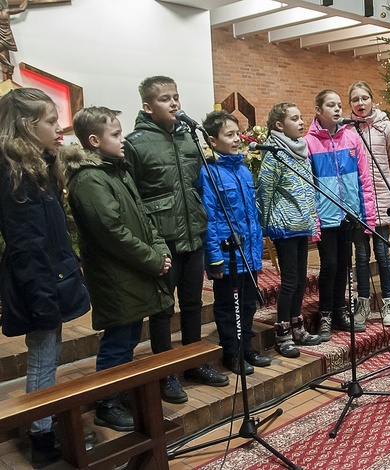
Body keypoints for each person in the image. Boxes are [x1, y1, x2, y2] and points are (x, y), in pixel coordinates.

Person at [63, 106, 180, 433]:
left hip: (132, 273)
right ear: (94, 140)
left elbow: (142, 217)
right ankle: (106, 404)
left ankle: (120, 390)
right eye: (115, 134)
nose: (123, 139)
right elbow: (112, 232)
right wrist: (153, 259)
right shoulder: (88, 179)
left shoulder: (117, 170)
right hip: (115, 276)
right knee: (117, 340)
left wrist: (160, 247)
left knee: (128, 337)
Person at [124, 76, 228, 404]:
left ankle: (194, 362)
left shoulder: (188, 139)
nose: (173, 104)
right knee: (162, 308)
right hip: (162, 239)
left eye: (176, 97)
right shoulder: (135, 143)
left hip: (193, 233)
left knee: (194, 303)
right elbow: (133, 198)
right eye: (165, 99)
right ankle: (165, 371)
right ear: (147, 106)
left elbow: (199, 185)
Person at [0, 88, 90, 466]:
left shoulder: (36, 165)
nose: (60, 129)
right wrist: (43, 300)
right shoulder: (16, 173)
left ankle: (43, 423)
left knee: (46, 356)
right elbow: (26, 247)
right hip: (39, 283)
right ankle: (42, 436)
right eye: (52, 121)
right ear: (26, 124)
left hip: (50, 277)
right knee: (42, 359)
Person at [198, 110, 270, 374]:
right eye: (229, 135)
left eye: (237, 133)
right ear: (212, 141)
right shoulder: (209, 173)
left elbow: (251, 214)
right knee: (229, 307)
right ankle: (232, 352)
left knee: (248, 304)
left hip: (248, 252)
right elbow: (211, 218)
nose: (237, 139)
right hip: (227, 255)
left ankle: (247, 348)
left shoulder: (241, 168)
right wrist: (214, 256)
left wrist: (256, 249)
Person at [304, 89, 376, 340]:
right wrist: (314, 221)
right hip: (326, 217)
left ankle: (339, 311)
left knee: (345, 265)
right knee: (330, 265)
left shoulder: (353, 139)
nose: (337, 110)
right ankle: (324, 314)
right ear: (318, 110)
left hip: (349, 214)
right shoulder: (309, 142)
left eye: (338, 105)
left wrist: (367, 216)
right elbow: (308, 187)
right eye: (330, 105)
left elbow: (364, 180)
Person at [257, 103, 322, 355]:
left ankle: (297, 325)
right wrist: (267, 224)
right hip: (284, 226)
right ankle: (282, 333)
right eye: (294, 119)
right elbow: (265, 191)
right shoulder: (274, 153)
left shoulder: (301, 149)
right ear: (279, 125)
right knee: (289, 281)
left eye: (301, 117)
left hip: (302, 224)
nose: (301, 122)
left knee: (300, 280)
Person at [347, 81, 390, 327]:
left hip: (381, 200)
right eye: (355, 99)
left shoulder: (386, 128)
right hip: (358, 202)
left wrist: (388, 190)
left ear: (372, 100)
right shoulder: (347, 130)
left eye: (364, 98)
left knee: (383, 254)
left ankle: (388, 303)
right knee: (361, 256)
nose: (360, 103)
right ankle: (363, 305)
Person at [0, 0, 27, 80]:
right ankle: (8, 66)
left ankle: (9, 65)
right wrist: (27, 1)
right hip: (8, 37)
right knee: (3, 53)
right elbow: (22, 8)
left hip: (2, 38)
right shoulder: (7, 11)